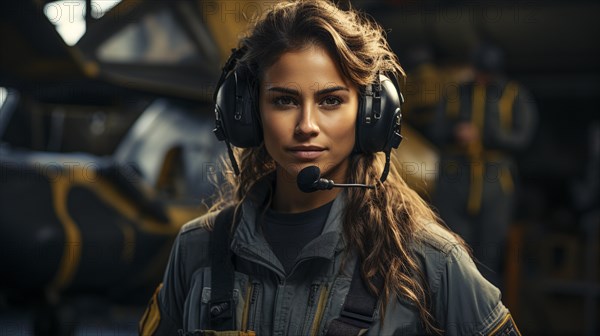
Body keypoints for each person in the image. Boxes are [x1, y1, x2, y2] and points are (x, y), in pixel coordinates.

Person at [139, 1, 520, 335]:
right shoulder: (197, 249)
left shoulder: (428, 261)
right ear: (247, 114)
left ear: (373, 117)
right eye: (285, 100)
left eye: (331, 100)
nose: (307, 125)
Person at [429, 42, 538, 288]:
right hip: (456, 178)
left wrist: (486, 135)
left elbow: (523, 137)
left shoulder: (514, 94)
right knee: (452, 249)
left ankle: (486, 313)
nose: (482, 78)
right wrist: (455, 131)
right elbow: (435, 128)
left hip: (495, 182)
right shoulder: (457, 92)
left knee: (489, 252)